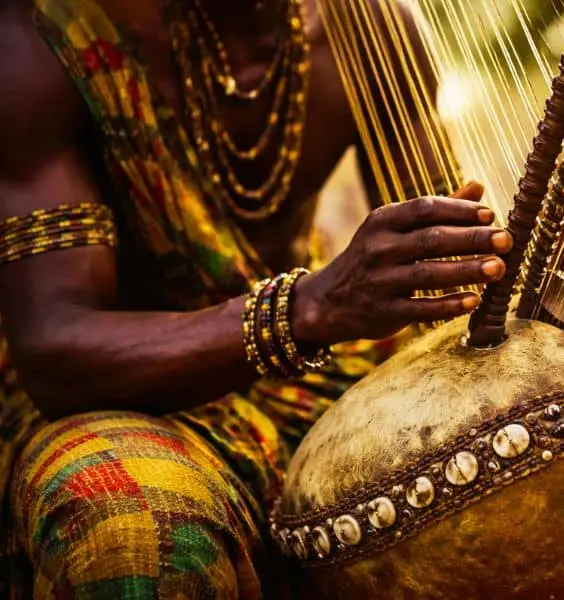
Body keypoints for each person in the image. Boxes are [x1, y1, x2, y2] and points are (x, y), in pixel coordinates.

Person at [0, 0, 513, 596]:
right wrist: (306, 310)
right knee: (127, 524)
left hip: (313, 377)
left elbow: (438, 264)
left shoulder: (371, 29)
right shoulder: (40, 32)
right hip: (112, 395)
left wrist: (520, 248)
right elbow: (54, 351)